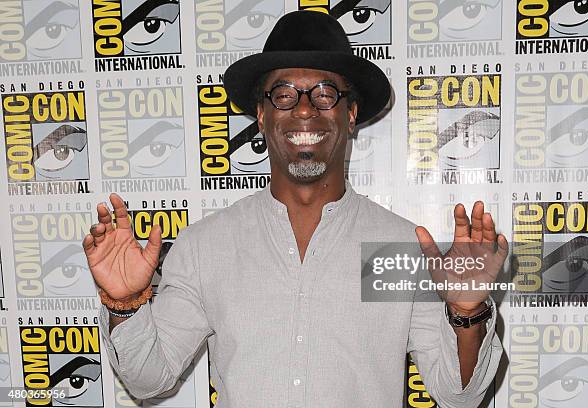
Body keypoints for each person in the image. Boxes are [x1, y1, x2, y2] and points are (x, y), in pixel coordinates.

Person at [83, 11, 507, 408]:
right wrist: (126, 306)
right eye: (284, 95)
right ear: (262, 116)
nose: (304, 109)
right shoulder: (206, 245)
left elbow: (459, 396)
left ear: (351, 114)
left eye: (324, 94)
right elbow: (146, 380)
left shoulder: (398, 248)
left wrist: (467, 314)